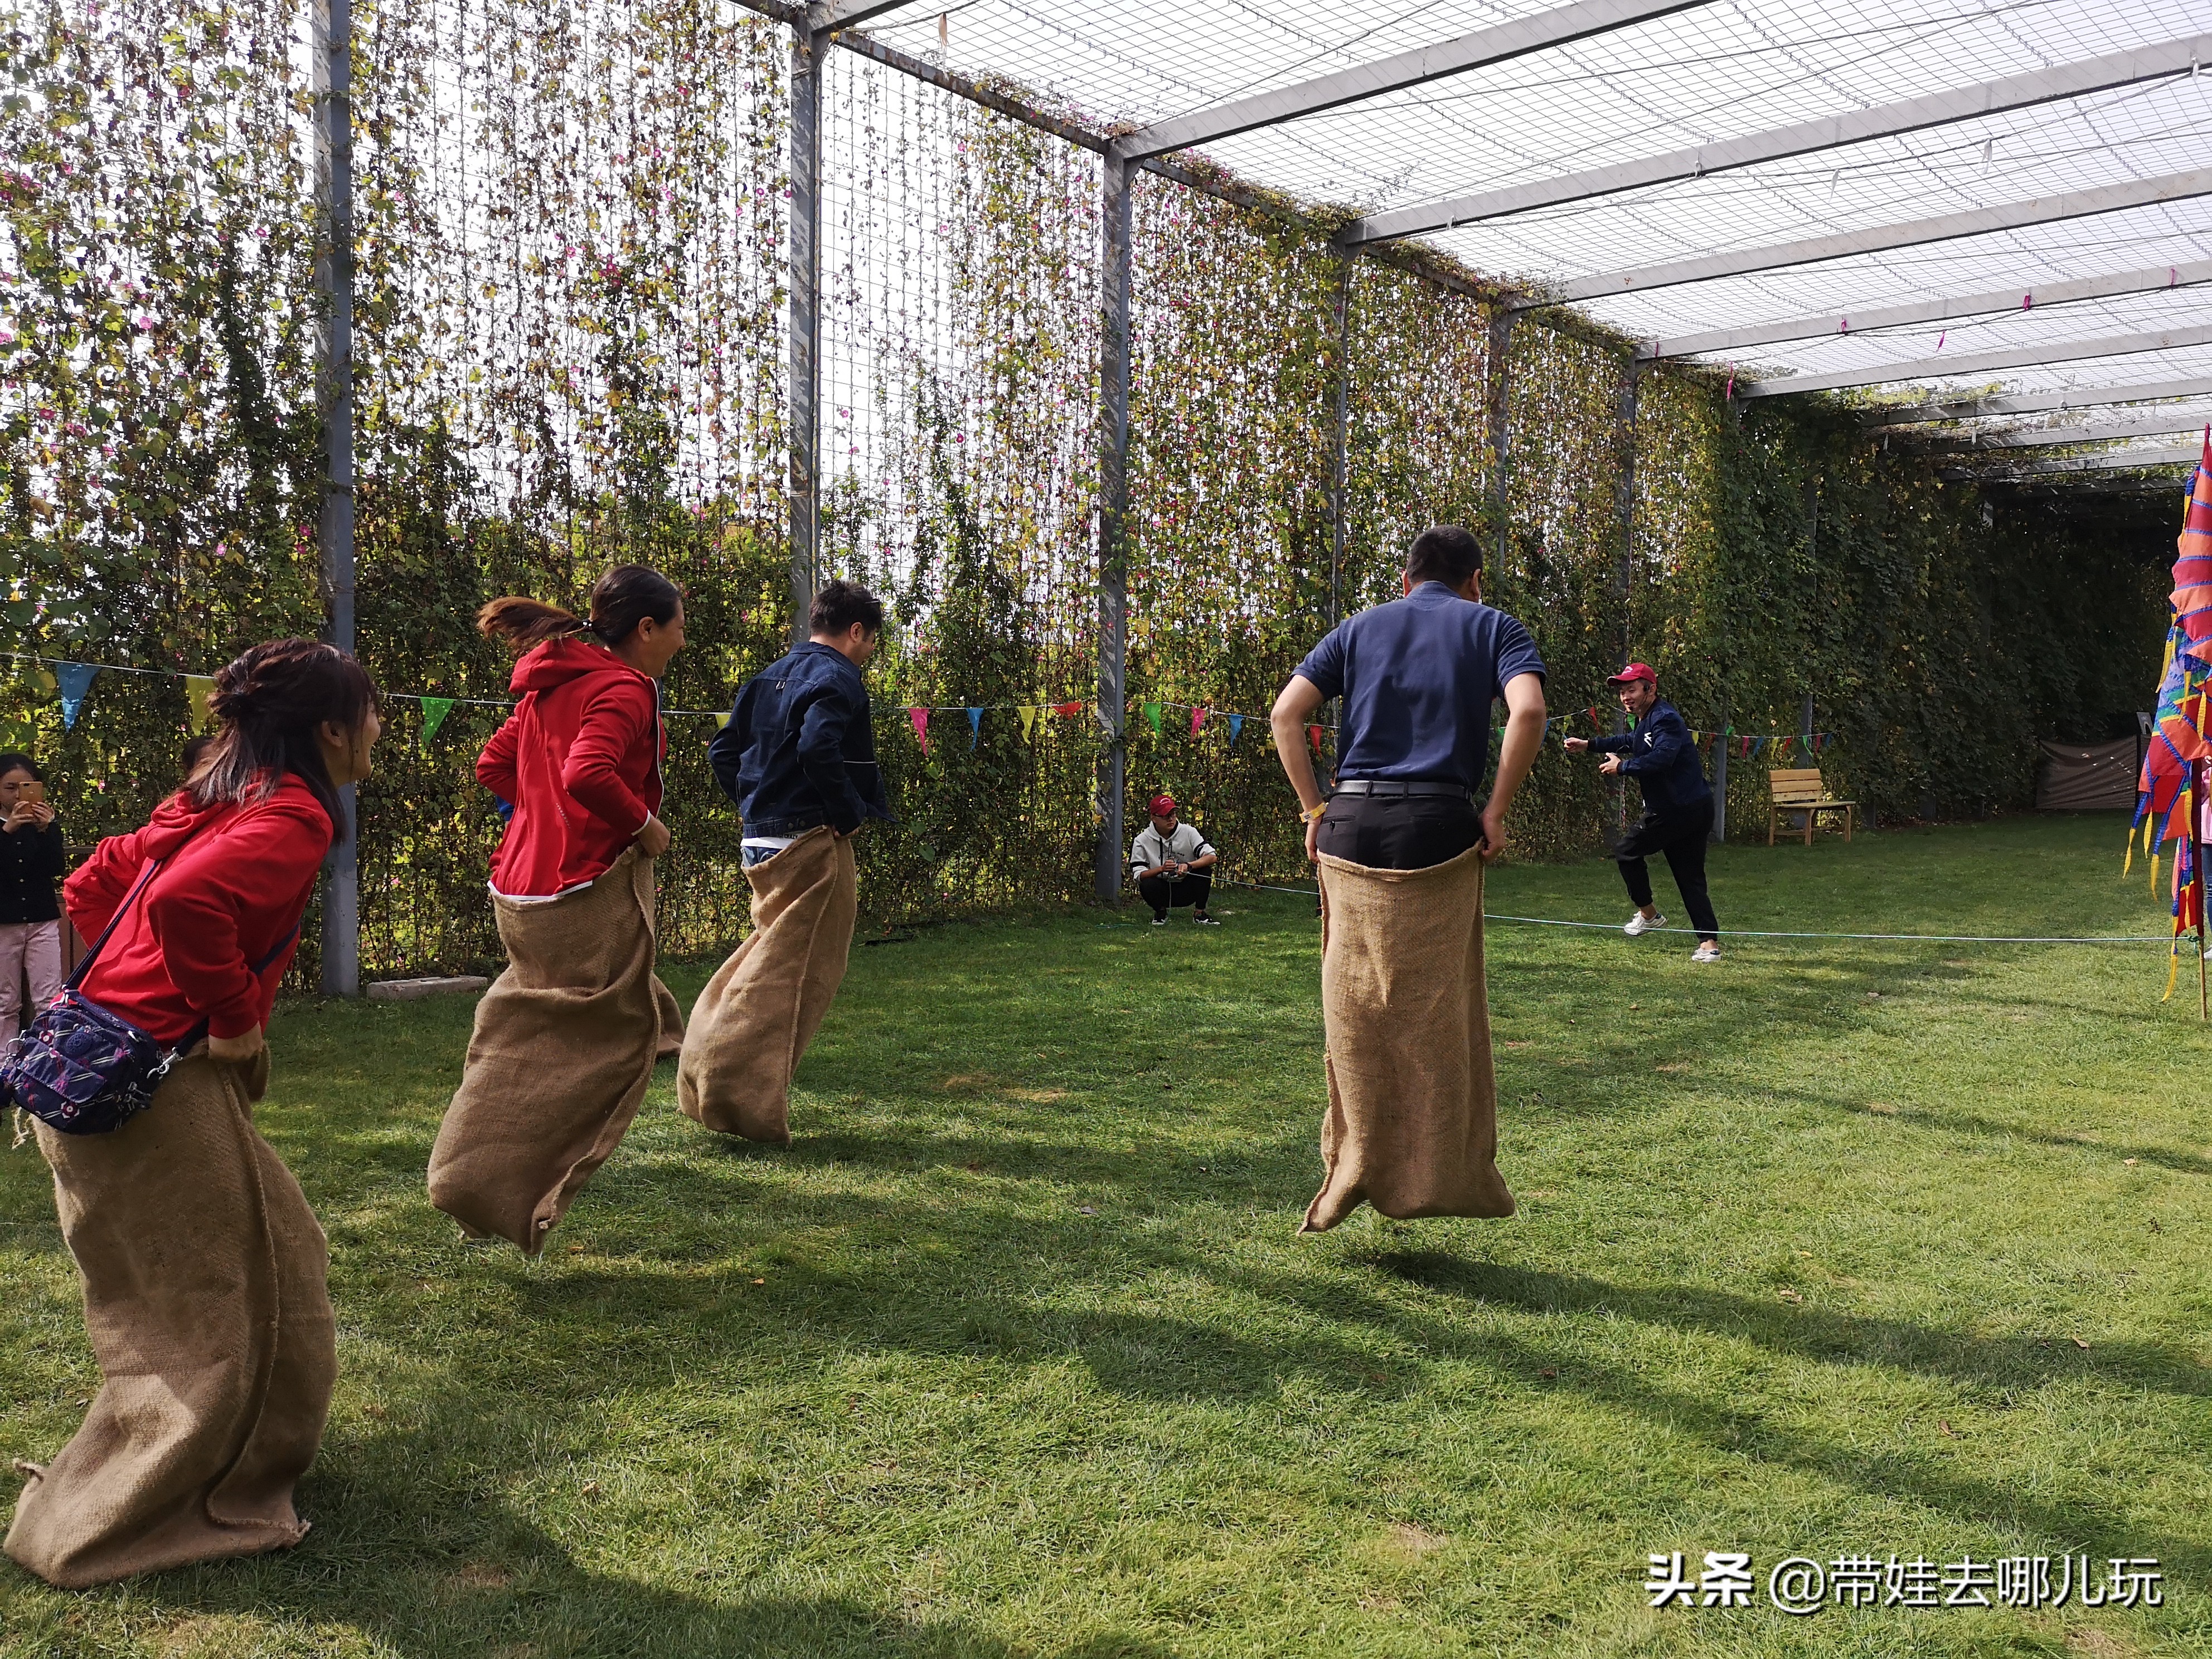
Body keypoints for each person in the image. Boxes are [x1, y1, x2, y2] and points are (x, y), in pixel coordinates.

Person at [6, 639, 381, 1588]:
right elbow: (181, 901)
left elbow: (94, 880)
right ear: (330, 731)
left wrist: (104, 986)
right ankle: (140, 1508)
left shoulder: (215, 794)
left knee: (276, 1249)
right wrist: (235, 1022)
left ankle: (236, 1460)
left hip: (93, 1060)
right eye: (369, 713)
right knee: (229, 1293)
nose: (378, 729)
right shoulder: (294, 814)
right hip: (153, 1080)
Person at [1270, 523, 1547, 1233]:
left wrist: (1311, 808)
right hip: (1440, 827)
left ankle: (1353, 1170)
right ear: (1473, 581)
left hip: (1350, 823)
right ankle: (1439, 1174)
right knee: (1437, 1010)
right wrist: (1495, 810)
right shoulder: (1494, 628)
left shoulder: (1357, 629)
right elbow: (1528, 710)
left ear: (1405, 580)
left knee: (1355, 1011)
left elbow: (1285, 715)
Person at [428, 565, 688, 1254]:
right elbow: (588, 773)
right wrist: (640, 825)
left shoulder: (553, 686)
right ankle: (484, 1184)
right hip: (581, 889)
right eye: (678, 626)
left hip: (519, 890)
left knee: (534, 1027)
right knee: (611, 1044)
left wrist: (540, 815)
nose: (682, 642)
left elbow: (494, 767)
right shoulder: (625, 688)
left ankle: (468, 1167)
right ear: (645, 629)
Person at [681, 579, 892, 1143]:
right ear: (854, 632)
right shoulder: (838, 677)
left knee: (765, 958)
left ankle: (709, 1071)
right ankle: (735, 1095)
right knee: (791, 975)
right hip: (806, 839)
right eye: (870, 642)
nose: (868, 653)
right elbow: (818, 747)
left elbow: (723, 752)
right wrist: (845, 810)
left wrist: (756, 804)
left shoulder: (768, 674)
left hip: (761, 837)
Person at [1565, 661, 1721, 962]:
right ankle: (1709, 945)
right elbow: (1630, 741)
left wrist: (1621, 767)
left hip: (1675, 811)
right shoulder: (1647, 719)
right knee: (1689, 876)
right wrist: (1590, 745)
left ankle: (1648, 915)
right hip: (1692, 807)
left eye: (1632, 689)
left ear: (1651, 689)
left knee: (1627, 851)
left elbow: (1662, 758)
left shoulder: (1665, 720)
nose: (1626, 696)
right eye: (1622, 691)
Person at [0, 752, 67, 1049]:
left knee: (50, 997)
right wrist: (7, 831)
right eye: (10, 788)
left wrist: (47, 829)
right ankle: (4, 1064)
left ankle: (46, 1063)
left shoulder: (42, 825)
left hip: (42, 920)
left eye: (26, 786)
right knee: (5, 1000)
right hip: (4, 923)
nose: (17, 795)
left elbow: (55, 868)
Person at [1128, 793, 1219, 925]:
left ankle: (1200, 914)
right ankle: (1160, 913)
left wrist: (1189, 865)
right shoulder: (1141, 840)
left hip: (1187, 888)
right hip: (1161, 889)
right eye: (1165, 816)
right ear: (1153, 818)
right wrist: (1161, 869)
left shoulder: (1189, 831)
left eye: (1173, 814)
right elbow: (1138, 875)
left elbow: (1212, 857)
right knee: (1146, 883)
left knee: (1204, 870)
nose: (1171, 819)